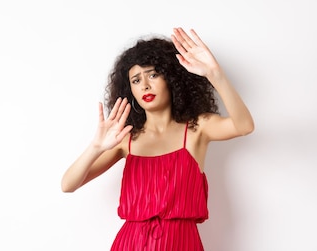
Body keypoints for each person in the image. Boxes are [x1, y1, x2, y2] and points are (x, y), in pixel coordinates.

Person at [60, 27, 254, 250]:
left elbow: (245, 126)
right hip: (130, 243)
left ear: (171, 78)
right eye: (136, 80)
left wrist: (215, 74)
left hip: (181, 243)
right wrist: (95, 147)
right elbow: (68, 185)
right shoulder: (126, 139)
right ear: (129, 90)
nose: (145, 85)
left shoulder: (197, 128)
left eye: (153, 74)